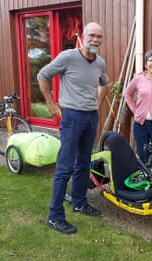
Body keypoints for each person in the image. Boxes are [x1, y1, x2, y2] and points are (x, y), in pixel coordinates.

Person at [37, 22, 109, 234]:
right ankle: (55, 215)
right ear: (83, 36)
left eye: (99, 36)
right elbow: (43, 75)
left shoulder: (100, 63)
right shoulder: (68, 57)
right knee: (65, 166)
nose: (95, 40)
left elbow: (104, 83)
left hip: (90, 118)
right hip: (71, 117)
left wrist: (98, 104)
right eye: (92, 35)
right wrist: (51, 103)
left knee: (84, 163)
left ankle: (79, 201)